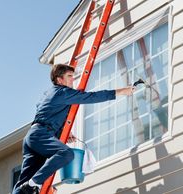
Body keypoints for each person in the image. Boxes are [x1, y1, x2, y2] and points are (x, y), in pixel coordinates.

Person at [12, 64, 135, 194]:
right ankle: (33, 184)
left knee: (23, 181)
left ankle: (28, 186)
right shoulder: (63, 92)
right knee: (66, 153)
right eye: (69, 76)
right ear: (59, 79)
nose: (73, 79)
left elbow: (48, 114)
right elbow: (91, 97)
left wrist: (61, 131)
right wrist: (120, 91)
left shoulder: (48, 93)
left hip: (32, 137)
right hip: (40, 134)